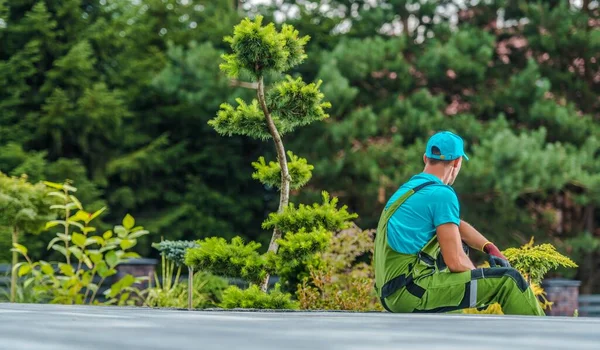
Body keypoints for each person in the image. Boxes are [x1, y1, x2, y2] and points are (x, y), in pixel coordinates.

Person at [373, 130, 545, 316]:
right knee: (510, 281)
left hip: (393, 293)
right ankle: (545, 341)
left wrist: (489, 247)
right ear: (457, 162)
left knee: (455, 312)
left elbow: (455, 225)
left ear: (425, 158)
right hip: (411, 292)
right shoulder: (442, 194)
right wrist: (480, 282)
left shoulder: (410, 190)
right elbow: (455, 261)